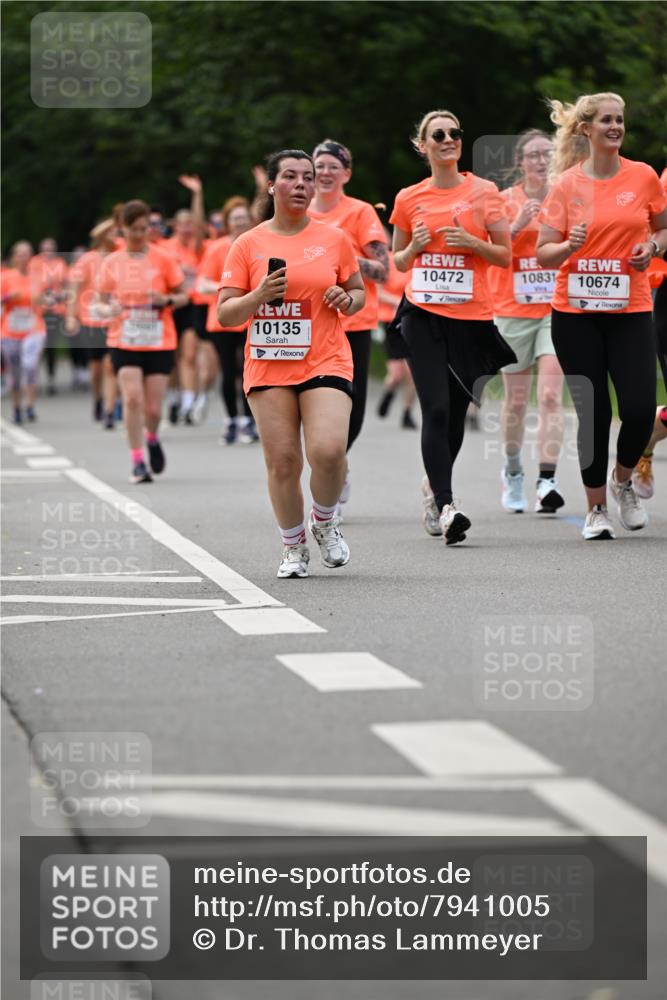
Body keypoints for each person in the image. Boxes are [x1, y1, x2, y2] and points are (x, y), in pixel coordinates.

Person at [217, 149, 365, 578]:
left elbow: (357, 292)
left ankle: (324, 520)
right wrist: (258, 295)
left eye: (308, 177)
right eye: (290, 177)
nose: (301, 184)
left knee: (329, 450)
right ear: (271, 186)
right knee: (283, 460)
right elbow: (227, 314)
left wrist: (345, 298)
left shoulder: (334, 238)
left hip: (325, 356)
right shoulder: (248, 244)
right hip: (269, 362)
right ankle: (293, 546)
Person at [537, 92, 667, 540]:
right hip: (575, 315)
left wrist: (651, 248)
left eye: (620, 120)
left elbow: (663, 228)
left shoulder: (644, 177)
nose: (615, 127)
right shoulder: (567, 186)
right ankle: (596, 510)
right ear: (586, 129)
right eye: (606, 120)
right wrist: (568, 247)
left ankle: (623, 478)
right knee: (592, 411)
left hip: (630, 308)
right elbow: (543, 255)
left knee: (636, 408)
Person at [390, 109, 515, 544]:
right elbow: (399, 260)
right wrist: (417, 246)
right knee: (437, 409)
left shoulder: (485, 192)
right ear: (422, 146)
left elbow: (505, 255)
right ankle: (447, 505)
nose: (448, 139)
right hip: (422, 315)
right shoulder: (409, 197)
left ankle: (432, 487)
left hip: (472, 319)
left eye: (455, 133)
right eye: (437, 134)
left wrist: (474, 243)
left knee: (458, 417)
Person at [489, 129, 566, 514]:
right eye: (533, 154)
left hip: (555, 310)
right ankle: (514, 471)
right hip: (512, 310)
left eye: (547, 154)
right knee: (517, 402)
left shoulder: (567, 198)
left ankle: (547, 480)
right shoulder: (503, 201)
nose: (540, 160)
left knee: (551, 396)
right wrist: (518, 223)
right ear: (520, 162)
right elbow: (493, 252)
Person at [310, 140, 389, 511]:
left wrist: (341, 258)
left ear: (346, 173)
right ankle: (330, 468)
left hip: (353, 324)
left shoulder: (359, 214)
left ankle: (337, 463)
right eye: (319, 166)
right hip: (308, 325)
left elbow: (384, 270)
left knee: (351, 410)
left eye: (332, 166)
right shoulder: (298, 212)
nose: (325, 173)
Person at [97, 200, 189, 483]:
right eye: (134, 229)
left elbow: (185, 295)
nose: (140, 234)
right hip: (124, 339)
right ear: (122, 229)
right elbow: (98, 303)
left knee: (152, 408)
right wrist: (108, 310)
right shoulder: (112, 262)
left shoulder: (163, 258)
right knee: (133, 399)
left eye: (144, 228)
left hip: (159, 340)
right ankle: (137, 461)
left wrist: (167, 300)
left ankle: (151, 437)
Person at [198, 196, 257, 443]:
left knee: (249, 370)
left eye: (244, 218)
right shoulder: (216, 248)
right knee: (228, 369)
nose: (240, 222)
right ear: (227, 223)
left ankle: (250, 421)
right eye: (235, 219)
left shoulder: (258, 243)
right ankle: (232, 419)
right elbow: (202, 284)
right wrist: (231, 288)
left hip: (252, 317)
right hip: (223, 318)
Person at [161, 175, 207, 424]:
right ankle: (175, 396)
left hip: (191, 305)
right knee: (172, 358)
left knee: (188, 356)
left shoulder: (197, 247)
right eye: (183, 224)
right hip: (169, 306)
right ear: (175, 226)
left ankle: (189, 402)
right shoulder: (166, 248)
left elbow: (200, 225)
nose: (188, 228)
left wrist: (197, 194)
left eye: (191, 224)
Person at [65, 219, 118, 427]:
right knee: (96, 370)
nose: (116, 237)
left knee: (110, 366)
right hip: (91, 320)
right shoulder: (88, 260)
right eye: (112, 233)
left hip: (113, 319)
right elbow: (73, 291)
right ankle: (98, 398)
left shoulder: (121, 257)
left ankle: (109, 410)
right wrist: (70, 316)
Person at [1, 241, 46, 423]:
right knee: (15, 372)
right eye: (20, 254)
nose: (23, 257)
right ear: (14, 257)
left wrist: (43, 299)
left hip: (34, 328)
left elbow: (47, 299)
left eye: (27, 254)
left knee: (30, 365)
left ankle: (30, 406)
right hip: (10, 330)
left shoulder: (38, 278)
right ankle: (16, 408)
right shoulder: (5, 277)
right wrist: (9, 297)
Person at [375, 232, 417, 428]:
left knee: (412, 373)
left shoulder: (418, 262)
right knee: (396, 374)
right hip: (390, 322)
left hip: (411, 323)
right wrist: (399, 303)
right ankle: (389, 392)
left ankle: (407, 413)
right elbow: (379, 292)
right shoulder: (388, 261)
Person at [28, 237, 68, 395]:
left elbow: (66, 284)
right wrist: (47, 283)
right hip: (39, 311)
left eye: (51, 248)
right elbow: (33, 285)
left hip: (56, 310)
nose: (49, 251)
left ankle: (51, 378)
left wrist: (62, 294)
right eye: (46, 248)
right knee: (37, 346)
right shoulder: (35, 263)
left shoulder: (60, 263)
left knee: (51, 346)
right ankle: (33, 379)